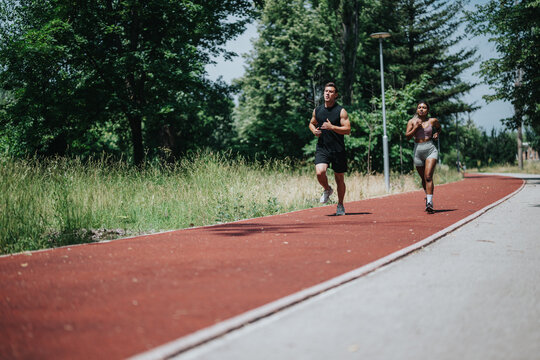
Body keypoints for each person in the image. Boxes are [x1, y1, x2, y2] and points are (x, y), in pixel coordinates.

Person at [309, 82, 351, 216]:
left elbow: (348, 130)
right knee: (320, 172)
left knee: (339, 178)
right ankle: (327, 189)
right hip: (323, 147)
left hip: (338, 149)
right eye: (326, 91)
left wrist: (332, 127)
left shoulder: (341, 111)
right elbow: (311, 122)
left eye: (331, 91)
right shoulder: (318, 110)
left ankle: (340, 204)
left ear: (336, 95)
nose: (327, 93)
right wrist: (314, 131)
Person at [405, 100, 442, 214]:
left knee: (428, 177)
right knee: (423, 179)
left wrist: (437, 134)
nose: (421, 109)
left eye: (424, 107)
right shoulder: (412, 121)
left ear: (428, 110)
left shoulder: (433, 121)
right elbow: (407, 137)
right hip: (418, 151)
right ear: (417, 109)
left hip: (430, 149)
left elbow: (439, 128)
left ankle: (429, 203)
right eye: (419, 107)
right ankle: (428, 196)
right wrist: (415, 128)